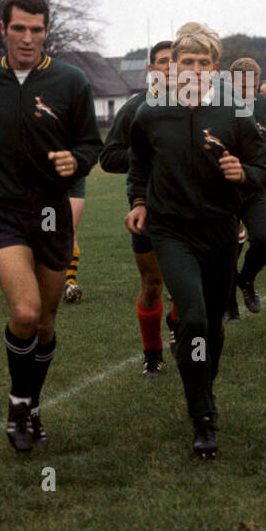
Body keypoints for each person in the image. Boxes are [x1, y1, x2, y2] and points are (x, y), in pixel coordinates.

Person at [0, 0, 102, 452]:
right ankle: (19, 402)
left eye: (36, 29)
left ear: (46, 31)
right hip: (1, 209)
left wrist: (76, 160)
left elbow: (91, 145)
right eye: (19, 29)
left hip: (52, 210)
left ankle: (33, 403)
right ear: (2, 29)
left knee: (47, 322)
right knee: (25, 312)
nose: (28, 38)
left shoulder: (71, 81)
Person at [126, 25, 266, 458]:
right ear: (172, 68)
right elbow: (139, 163)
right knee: (190, 318)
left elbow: (263, 170)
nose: (193, 69)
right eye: (185, 62)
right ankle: (202, 417)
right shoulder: (150, 112)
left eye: (203, 63)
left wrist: (242, 172)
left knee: (210, 325)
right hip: (171, 231)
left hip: (220, 229)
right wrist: (137, 200)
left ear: (215, 68)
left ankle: (203, 386)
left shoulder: (235, 111)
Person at [99, 39, 174, 374]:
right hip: (147, 208)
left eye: (176, 61)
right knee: (153, 284)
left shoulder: (201, 106)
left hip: (190, 211)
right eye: (162, 62)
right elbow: (108, 157)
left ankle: (179, 330)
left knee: (189, 287)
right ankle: (152, 354)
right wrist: (147, 153)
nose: (170, 68)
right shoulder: (134, 109)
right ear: (150, 70)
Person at [227, 57, 266, 317]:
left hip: (255, 185)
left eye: (252, 86)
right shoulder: (221, 105)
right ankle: (228, 301)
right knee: (227, 248)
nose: (247, 91)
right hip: (226, 187)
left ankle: (246, 280)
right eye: (242, 86)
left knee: (265, 240)